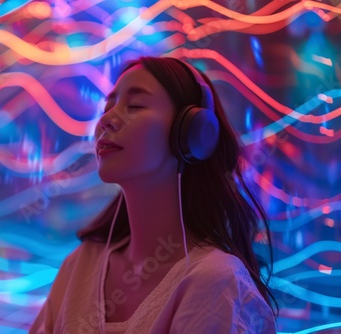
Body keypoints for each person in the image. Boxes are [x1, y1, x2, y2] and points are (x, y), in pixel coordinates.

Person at [29, 56, 277, 333]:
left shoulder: (214, 280)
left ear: (191, 134)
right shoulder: (80, 265)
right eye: (108, 107)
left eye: (134, 106)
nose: (107, 120)